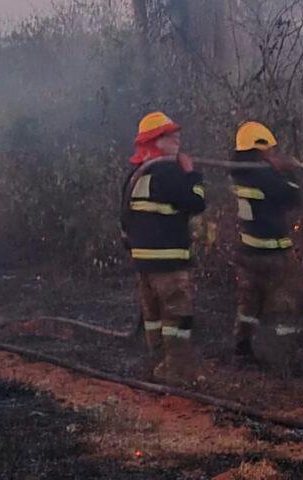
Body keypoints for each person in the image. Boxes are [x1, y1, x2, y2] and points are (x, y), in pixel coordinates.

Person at [122, 111, 206, 383]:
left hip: (144, 266)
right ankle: (178, 375)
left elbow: (125, 220)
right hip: (170, 265)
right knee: (178, 320)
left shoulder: (135, 175)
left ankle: (158, 366)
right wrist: (192, 175)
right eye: (172, 135)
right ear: (158, 141)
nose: (178, 138)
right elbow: (196, 203)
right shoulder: (168, 172)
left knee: (154, 319)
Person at [228, 121, 303, 368]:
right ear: (259, 148)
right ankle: (283, 357)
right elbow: (293, 197)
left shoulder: (238, 172)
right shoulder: (264, 175)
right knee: (283, 305)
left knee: (248, 303)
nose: (272, 153)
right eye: (269, 149)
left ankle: (242, 349)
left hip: (248, 252)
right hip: (273, 253)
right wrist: (287, 171)